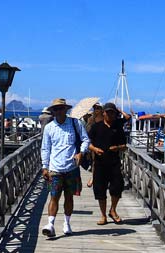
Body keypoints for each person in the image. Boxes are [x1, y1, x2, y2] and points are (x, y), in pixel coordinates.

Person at [40, 98, 89, 237]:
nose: (59, 111)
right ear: (53, 112)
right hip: (55, 168)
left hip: (71, 167)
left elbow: (86, 139)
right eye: (56, 109)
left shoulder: (75, 123)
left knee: (69, 197)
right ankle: (50, 224)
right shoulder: (49, 128)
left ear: (66, 109)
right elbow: (45, 148)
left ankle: (67, 223)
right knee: (54, 196)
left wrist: (81, 152)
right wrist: (45, 167)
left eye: (61, 108)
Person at [88, 102, 127, 225]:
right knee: (100, 189)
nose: (110, 114)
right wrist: (94, 149)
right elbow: (87, 143)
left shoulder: (118, 127)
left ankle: (113, 210)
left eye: (112, 112)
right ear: (103, 113)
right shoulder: (96, 127)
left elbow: (125, 146)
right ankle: (103, 215)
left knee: (117, 186)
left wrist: (117, 147)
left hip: (114, 162)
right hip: (99, 163)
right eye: (108, 112)